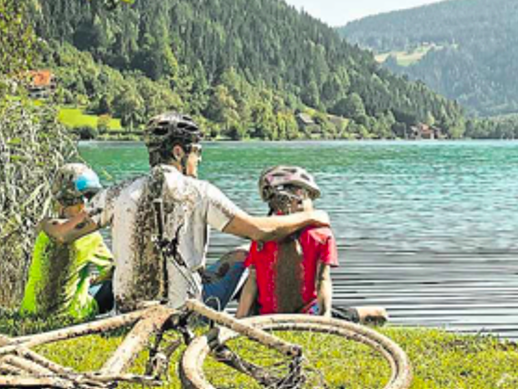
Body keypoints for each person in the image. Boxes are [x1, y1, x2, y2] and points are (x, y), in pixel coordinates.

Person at [42, 113, 330, 312]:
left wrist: (44, 223)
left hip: (126, 316)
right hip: (181, 317)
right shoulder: (199, 192)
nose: (199, 159)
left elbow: (64, 233)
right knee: (245, 253)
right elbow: (260, 229)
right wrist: (312, 217)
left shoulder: (116, 193)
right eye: (197, 152)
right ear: (179, 152)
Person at [235, 165, 388, 324]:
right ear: (301, 196)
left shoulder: (263, 233)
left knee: (377, 314)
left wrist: (239, 318)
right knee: (380, 314)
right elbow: (323, 279)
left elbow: (252, 281)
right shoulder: (321, 234)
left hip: (267, 315)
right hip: (307, 315)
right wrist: (325, 316)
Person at [20, 163, 114, 320]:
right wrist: (96, 280)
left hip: (30, 312)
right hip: (69, 315)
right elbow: (111, 271)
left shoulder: (45, 229)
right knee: (112, 283)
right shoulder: (90, 236)